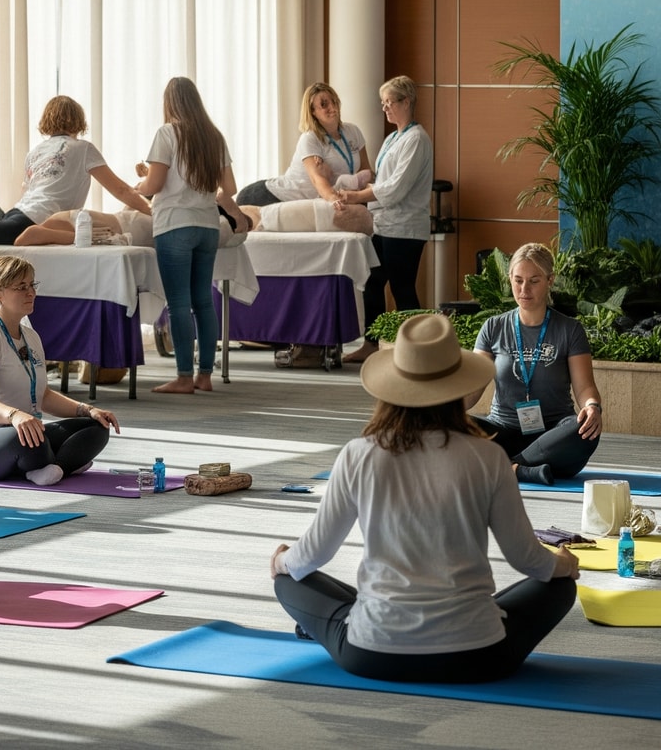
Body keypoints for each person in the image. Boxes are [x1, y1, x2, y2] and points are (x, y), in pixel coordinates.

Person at [271, 313, 581, 682]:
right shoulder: (488, 456)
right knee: (559, 587)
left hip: (372, 654)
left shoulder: (358, 453)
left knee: (290, 579)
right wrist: (564, 564)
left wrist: (282, 562)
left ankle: (354, 620)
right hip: (479, 657)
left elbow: (314, 555)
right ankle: (463, 619)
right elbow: (527, 560)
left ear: (392, 386)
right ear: (457, 387)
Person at [0, 256, 121, 485]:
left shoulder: (30, 336)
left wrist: (87, 410)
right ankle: (59, 463)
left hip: (24, 431)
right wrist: (15, 415)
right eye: (21, 287)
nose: (31, 293)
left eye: (32, 285)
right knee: (26, 439)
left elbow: (44, 396)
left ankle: (50, 467)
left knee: (97, 427)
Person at [137, 77, 251, 394]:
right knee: (203, 300)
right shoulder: (214, 137)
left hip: (174, 224)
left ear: (169, 103)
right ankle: (204, 376)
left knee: (178, 304)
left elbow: (155, 185)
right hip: (207, 227)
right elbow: (228, 189)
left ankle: (184, 377)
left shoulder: (167, 133)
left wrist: (141, 184)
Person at [465, 244, 604, 485]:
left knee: (583, 429)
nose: (524, 289)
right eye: (518, 280)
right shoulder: (493, 328)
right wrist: (442, 413)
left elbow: (584, 388)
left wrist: (593, 407)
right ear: (509, 279)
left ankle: (503, 466)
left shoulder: (570, 330)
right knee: (451, 425)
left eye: (534, 281)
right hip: (502, 429)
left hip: (553, 435)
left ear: (550, 280)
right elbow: (472, 387)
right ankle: (523, 470)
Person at [341, 76, 434, 364]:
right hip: (384, 224)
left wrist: (357, 198)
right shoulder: (393, 137)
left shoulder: (417, 139)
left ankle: (420, 349)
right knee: (372, 280)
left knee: (402, 287)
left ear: (406, 102)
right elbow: (382, 180)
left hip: (405, 227)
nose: (385, 109)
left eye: (389, 103)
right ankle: (372, 343)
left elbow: (395, 189)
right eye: (382, 104)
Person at [0, 95, 153, 246]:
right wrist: (153, 212)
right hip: (37, 219)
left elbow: (26, 191)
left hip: (17, 213)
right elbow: (121, 190)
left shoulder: (35, 151)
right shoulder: (83, 148)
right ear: (78, 120)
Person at [235, 83, 374, 207]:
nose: (332, 107)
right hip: (272, 195)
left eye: (334, 101)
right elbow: (317, 179)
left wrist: (373, 194)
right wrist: (333, 199)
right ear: (313, 112)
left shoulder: (353, 131)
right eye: (324, 104)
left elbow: (366, 169)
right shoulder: (310, 138)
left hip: (322, 195)